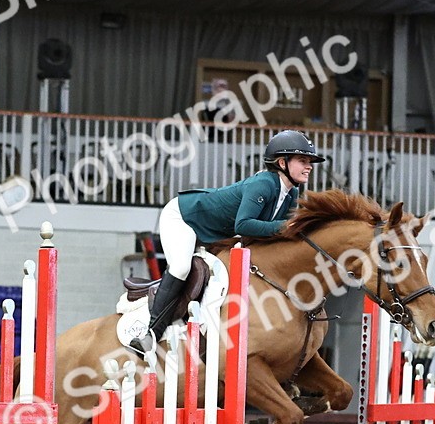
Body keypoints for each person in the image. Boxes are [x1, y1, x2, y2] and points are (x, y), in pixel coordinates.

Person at [133, 129, 327, 353]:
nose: (309, 166)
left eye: (310, 161)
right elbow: (243, 225)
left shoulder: (291, 193)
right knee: (181, 267)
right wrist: (286, 227)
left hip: (216, 231)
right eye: (303, 160)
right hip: (184, 217)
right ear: (282, 163)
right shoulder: (263, 184)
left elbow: (275, 234)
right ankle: (151, 333)